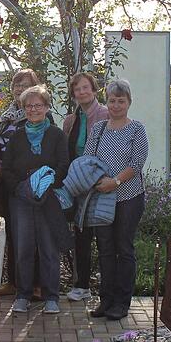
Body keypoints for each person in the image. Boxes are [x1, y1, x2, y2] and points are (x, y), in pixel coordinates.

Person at [2, 85, 70, 315]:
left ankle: (52, 296)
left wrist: (46, 182)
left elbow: (63, 165)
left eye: (38, 105)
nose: (33, 109)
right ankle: (23, 295)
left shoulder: (57, 134)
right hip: (21, 200)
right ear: (23, 109)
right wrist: (21, 187)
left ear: (47, 107)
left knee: (49, 249)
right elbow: (6, 167)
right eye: (28, 106)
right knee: (23, 248)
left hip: (48, 199)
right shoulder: (17, 135)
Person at [84, 79, 149, 321]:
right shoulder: (98, 129)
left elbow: (136, 162)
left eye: (121, 101)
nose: (116, 105)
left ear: (129, 102)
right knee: (105, 250)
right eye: (112, 100)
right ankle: (106, 300)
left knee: (124, 248)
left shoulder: (136, 129)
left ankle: (122, 302)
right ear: (107, 102)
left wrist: (116, 182)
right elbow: (88, 160)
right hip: (102, 199)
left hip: (128, 197)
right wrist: (100, 182)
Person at [0, 68, 43, 297]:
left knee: (33, 233)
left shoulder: (39, 114)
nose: (20, 89)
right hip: (7, 182)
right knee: (13, 232)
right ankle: (13, 281)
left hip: (30, 183)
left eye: (25, 85)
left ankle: (37, 284)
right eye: (17, 85)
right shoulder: (6, 115)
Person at [61, 72, 108, 302]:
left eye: (85, 87)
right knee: (81, 236)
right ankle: (82, 285)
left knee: (104, 236)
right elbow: (66, 152)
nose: (82, 92)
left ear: (94, 89)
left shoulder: (106, 115)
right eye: (77, 89)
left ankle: (108, 287)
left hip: (100, 184)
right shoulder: (70, 120)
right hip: (79, 186)